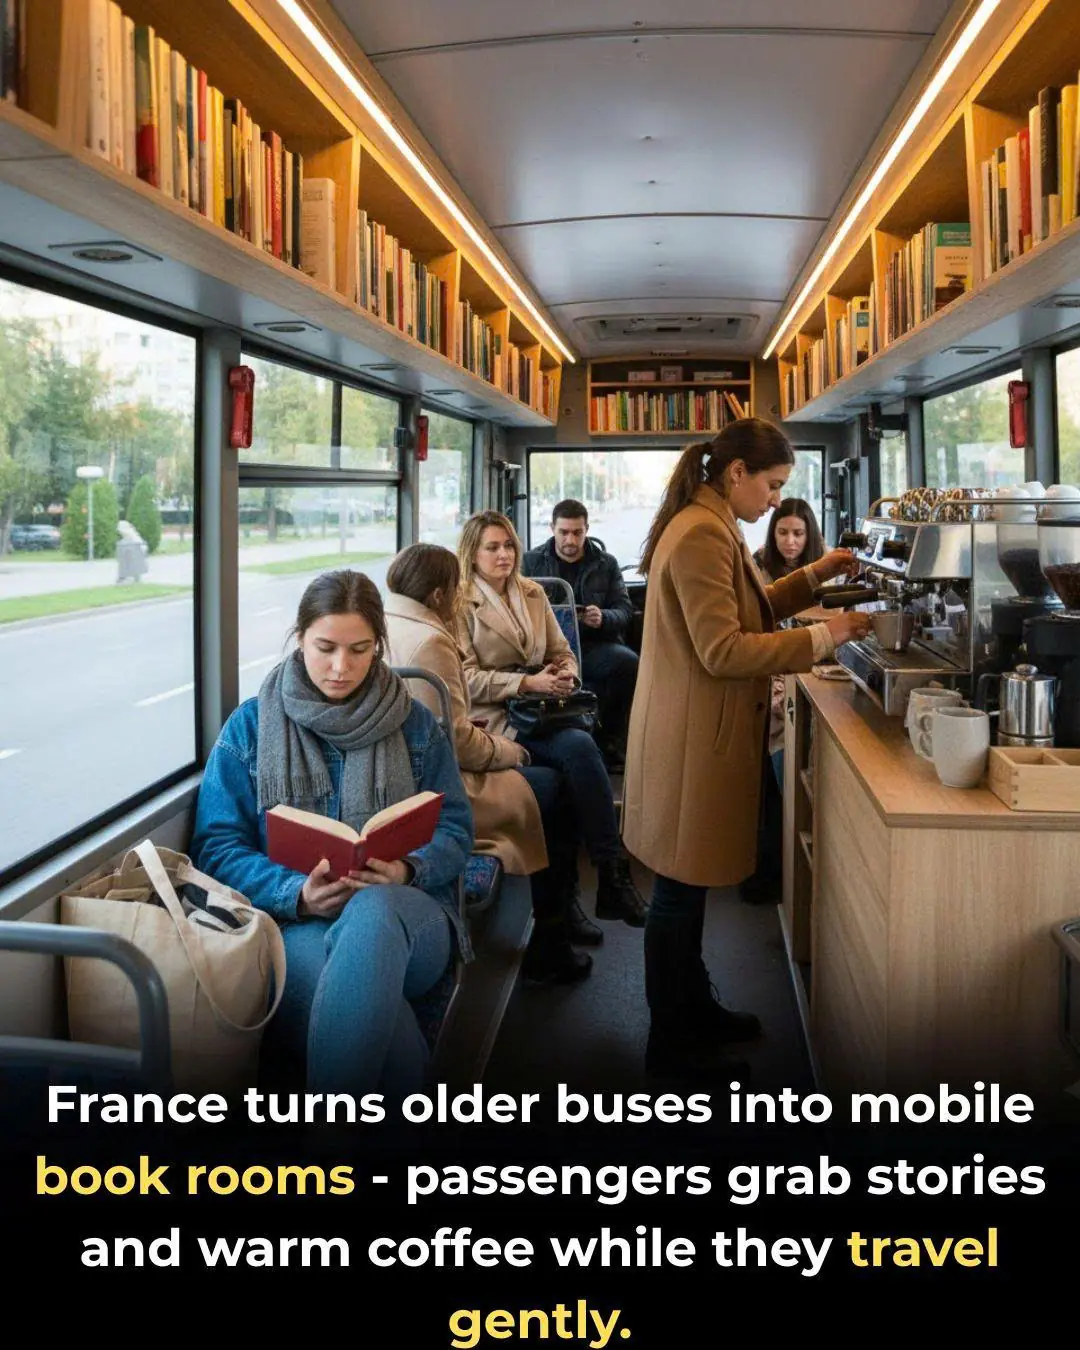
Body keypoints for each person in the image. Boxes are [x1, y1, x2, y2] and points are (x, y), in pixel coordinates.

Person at [621, 420, 872, 1079]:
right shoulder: (703, 532)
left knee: (688, 889)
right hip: (693, 740)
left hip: (692, 732)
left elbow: (751, 608)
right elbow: (724, 649)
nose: (773, 501)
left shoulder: (709, 521)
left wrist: (818, 574)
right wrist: (826, 639)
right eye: (772, 486)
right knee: (677, 894)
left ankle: (693, 1009)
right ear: (736, 474)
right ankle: (670, 1046)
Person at [190, 569, 474, 1097]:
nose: (340, 667)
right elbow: (216, 848)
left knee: (373, 913)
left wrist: (408, 869)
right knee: (366, 1009)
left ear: (378, 648)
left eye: (359, 650)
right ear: (300, 639)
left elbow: (455, 829)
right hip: (297, 923)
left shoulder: (414, 725)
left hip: (411, 918)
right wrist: (294, 892)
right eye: (325, 647)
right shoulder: (250, 727)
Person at [384, 542, 598, 982]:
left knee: (571, 754)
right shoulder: (432, 641)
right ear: (442, 595)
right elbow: (459, 745)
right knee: (551, 791)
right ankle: (552, 940)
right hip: (443, 788)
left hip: (415, 770)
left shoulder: (388, 622)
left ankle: (569, 911)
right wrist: (509, 751)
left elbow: (446, 723)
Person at [456, 509, 648, 927]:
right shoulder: (460, 604)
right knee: (578, 751)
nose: (504, 555)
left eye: (508, 546)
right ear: (472, 554)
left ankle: (571, 905)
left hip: (543, 708)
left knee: (573, 766)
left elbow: (563, 649)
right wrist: (526, 685)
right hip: (497, 716)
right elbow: (465, 679)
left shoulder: (531, 593)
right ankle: (608, 875)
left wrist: (565, 673)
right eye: (492, 547)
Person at [745, 498, 829, 905]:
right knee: (777, 731)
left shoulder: (829, 569)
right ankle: (772, 865)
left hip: (815, 666)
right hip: (773, 669)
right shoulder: (757, 569)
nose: (791, 542)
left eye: (798, 533)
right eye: (783, 532)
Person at [521, 499, 638, 769]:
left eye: (577, 532)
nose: (570, 540)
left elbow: (624, 610)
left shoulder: (606, 564)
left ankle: (611, 741)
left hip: (592, 643)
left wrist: (603, 617)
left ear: (587, 530)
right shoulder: (531, 563)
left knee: (628, 663)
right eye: (564, 533)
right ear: (552, 529)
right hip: (547, 647)